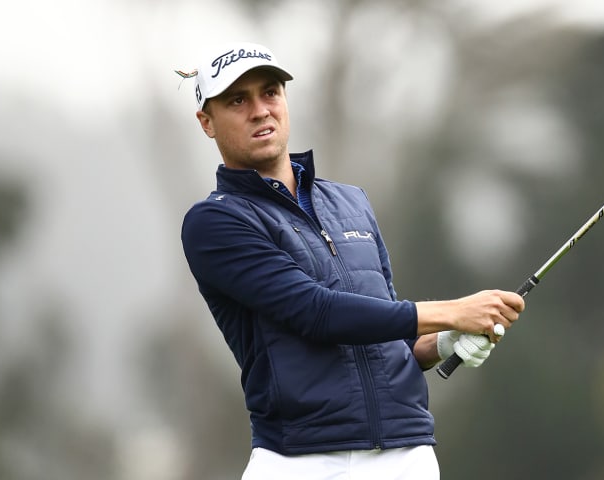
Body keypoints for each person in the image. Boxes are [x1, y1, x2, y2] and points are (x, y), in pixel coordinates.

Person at [179, 42, 525, 480]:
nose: (260, 110)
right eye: (237, 100)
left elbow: (389, 338)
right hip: (299, 460)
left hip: (406, 455)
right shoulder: (215, 221)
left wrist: (445, 340)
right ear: (206, 122)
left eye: (270, 92)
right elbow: (316, 312)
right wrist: (453, 311)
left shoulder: (351, 202)